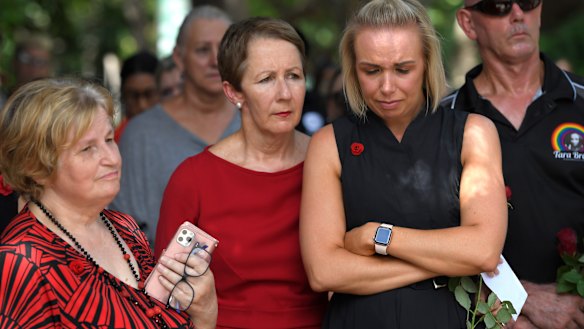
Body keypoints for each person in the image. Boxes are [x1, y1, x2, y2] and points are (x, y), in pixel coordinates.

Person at [299, 0, 508, 327]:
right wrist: (447, 262)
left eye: (402, 69)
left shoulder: (474, 133)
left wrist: (376, 236)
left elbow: (482, 251)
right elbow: (323, 271)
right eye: (371, 71)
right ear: (353, 67)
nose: (386, 87)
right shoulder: (328, 143)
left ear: (427, 63)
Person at [0, 78, 217, 328]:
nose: (111, 159)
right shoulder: (21, 262)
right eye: (87, 149)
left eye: (109, 140)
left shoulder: (125, 227)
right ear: (36, 167)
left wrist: (205, 312)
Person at [155, 17, 328, 329]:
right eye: (265, 80)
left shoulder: (330, 161)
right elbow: (164, 301)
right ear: (233, 92)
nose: (285, 93)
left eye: (294, 76)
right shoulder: (194, 179)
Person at [445, 0, 584, 327]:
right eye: (499, 5)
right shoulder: (442, 121)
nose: (518, 14)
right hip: (482, 319)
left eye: (529, 1)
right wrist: (521, 300)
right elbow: (430, 239)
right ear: (468, 23)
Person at [110, 5, 241, 247]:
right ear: (179, 58)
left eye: (223, 49)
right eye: (202, 50)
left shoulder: (256, 122)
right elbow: (124, 232)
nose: (215, 60)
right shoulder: (141, 134)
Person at [115, 51, 160, 142]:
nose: (142, 105)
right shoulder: (116, 143)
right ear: (123, 95)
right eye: (133, 96)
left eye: (149, 94)